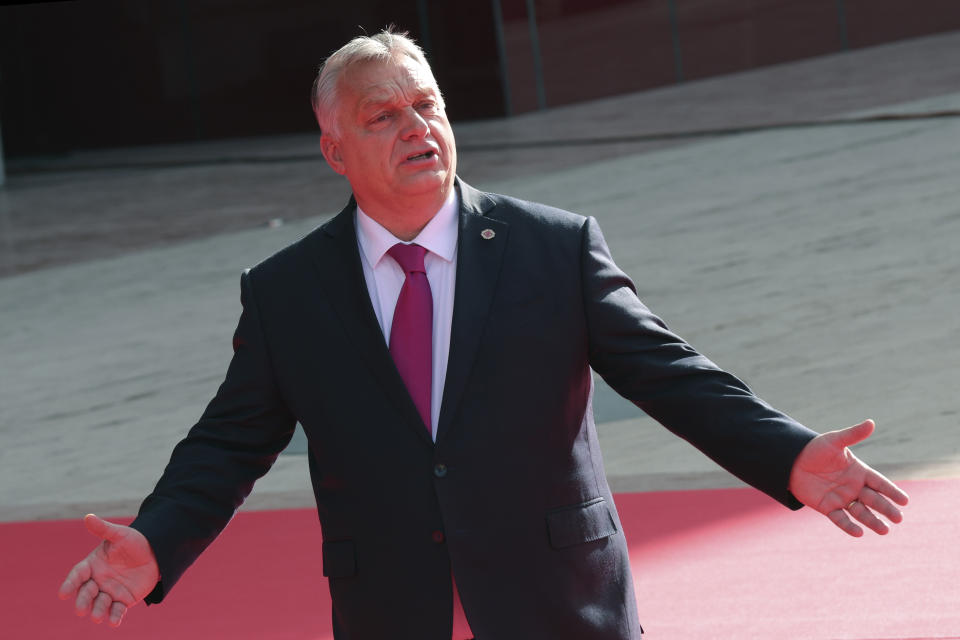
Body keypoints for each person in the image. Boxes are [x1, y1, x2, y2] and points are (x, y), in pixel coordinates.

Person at [59, 28, 909, 639]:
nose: (415, 128)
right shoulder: (288, 291)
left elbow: (670, 374)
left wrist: (788, 453)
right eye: (382, 116)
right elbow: (229, 442)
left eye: (425, 105)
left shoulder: (553, 247)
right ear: (334, 149)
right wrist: (158, 540)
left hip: (559, 601)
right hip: (392, 608)